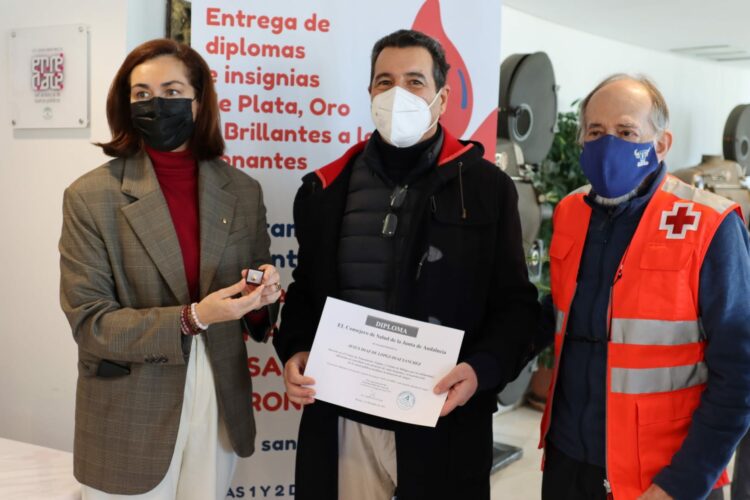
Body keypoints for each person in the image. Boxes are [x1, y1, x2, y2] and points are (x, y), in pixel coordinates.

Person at [273, 29, 539, 500]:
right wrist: (294, 350)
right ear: (370, 92)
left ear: (443, 97)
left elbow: (517, 308)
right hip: (344, 420)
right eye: (384, 81)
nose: (398, 94)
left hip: (444, 421)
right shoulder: (323, 190)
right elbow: (305, 293)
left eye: (415, 81)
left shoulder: (488, 189)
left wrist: (481, 370)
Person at [59, 39, 281, 500]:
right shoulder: (90, 196)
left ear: (199, 103)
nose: (155, 104)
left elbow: (254, 312)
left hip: (219, 399)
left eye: (171, 90)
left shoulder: (242, 191)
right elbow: (90, 321)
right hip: (130, 409)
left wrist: (263, 299)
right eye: (141, 94)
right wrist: (193, 317)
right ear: (125, 104)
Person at [538, 74, 750, 500]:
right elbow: (557, 315)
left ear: (661, 144)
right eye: (595, 132)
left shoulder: (709, 224)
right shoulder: (570, 212)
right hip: (568, 461)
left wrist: (683, 483)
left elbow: (740, 373)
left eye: (626, 132)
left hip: (662, 476)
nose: (607, 144)